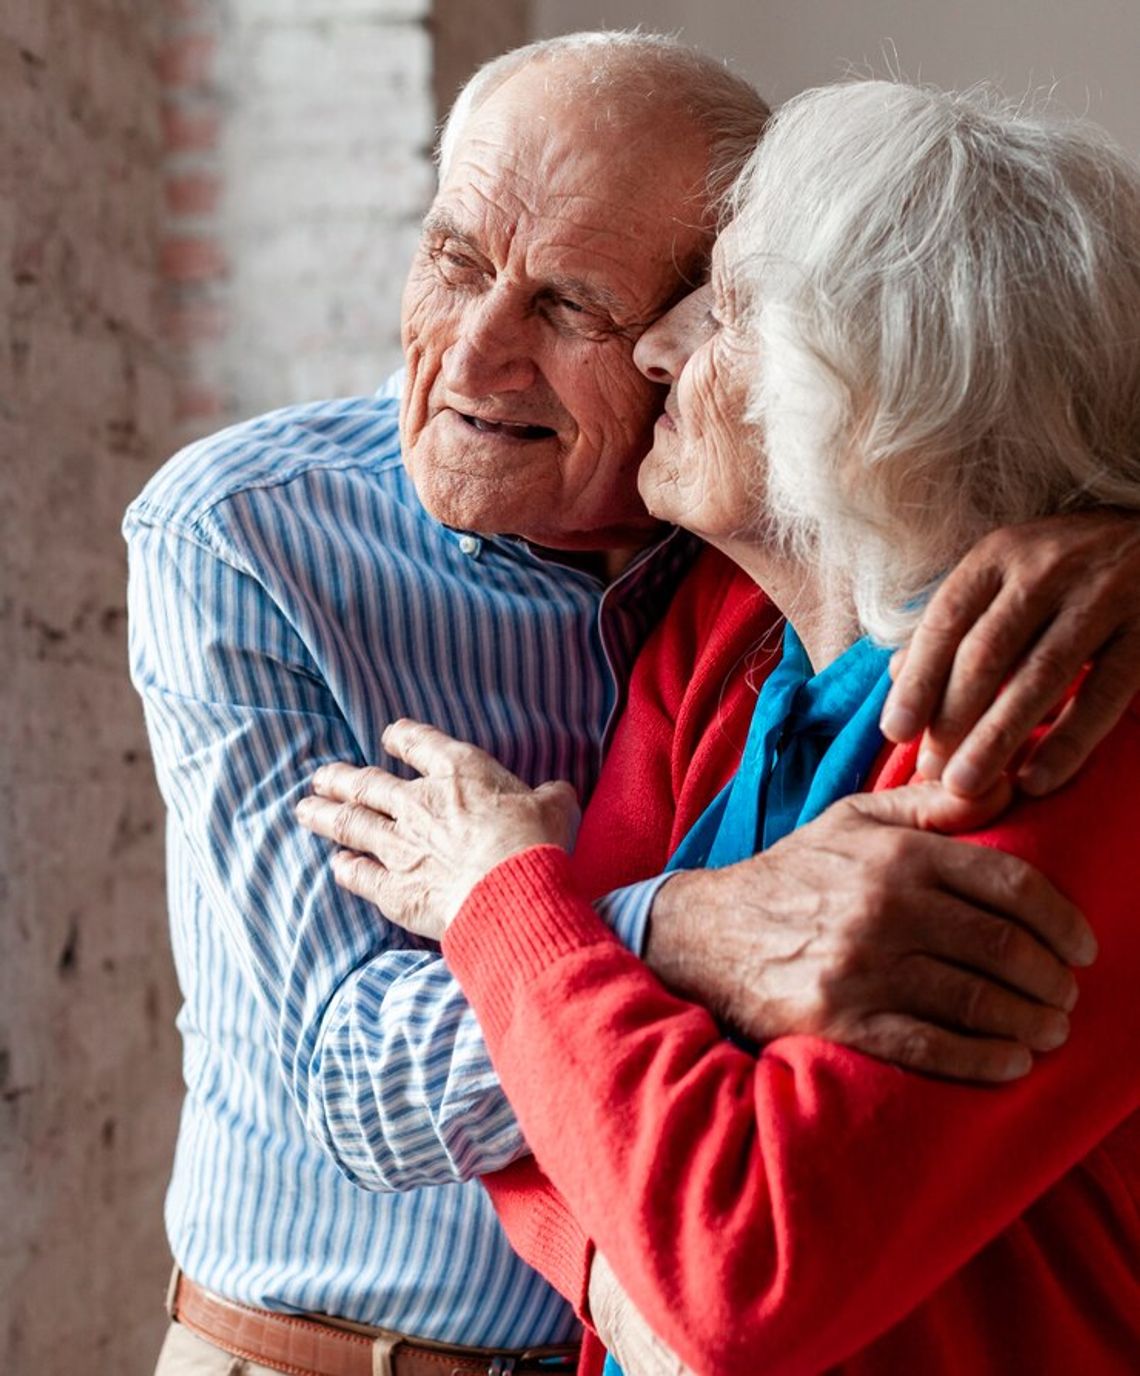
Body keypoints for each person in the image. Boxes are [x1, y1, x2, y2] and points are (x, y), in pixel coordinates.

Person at [128, 32, 1140, 1375]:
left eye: (589, 305)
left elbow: (719, 1245)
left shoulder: (1015, 695)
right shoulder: (713, 640)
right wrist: (689, 930)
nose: (664, 350)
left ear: (862, 389)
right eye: (455, 259)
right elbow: (398, 1073)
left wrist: (508, 901)